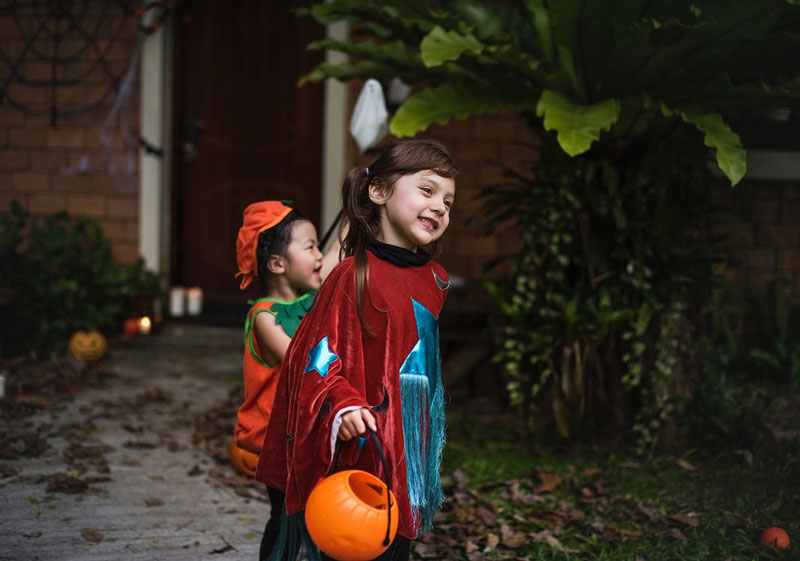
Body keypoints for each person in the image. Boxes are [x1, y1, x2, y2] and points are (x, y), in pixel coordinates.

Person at [257, 139, 458, 561]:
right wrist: (343, 405)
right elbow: (315, 354)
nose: (440, 206)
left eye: (448, 200)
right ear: (379, 191)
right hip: (359, 438)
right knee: (347, 542)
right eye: (426, 191)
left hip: (405, 443)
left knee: (393, 538)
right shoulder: (353, 275)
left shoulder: (436, 279)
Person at [230, 201, 343, 559]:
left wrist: (357, 206)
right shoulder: (264, 315)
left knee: (319, 511)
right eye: (310, 247)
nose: (320, 256)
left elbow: (337, 252)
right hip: (280, 438)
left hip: (309, 432)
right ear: (277, 264)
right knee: (285, 515)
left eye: (317, 246)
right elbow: (300, 360)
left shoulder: (313, 298)